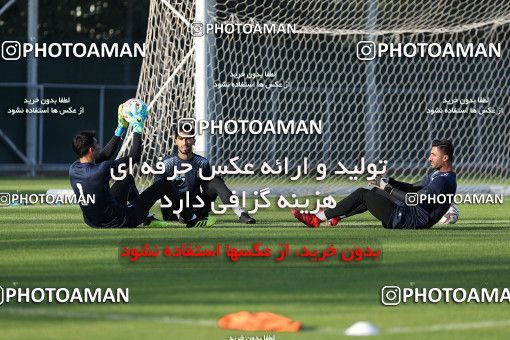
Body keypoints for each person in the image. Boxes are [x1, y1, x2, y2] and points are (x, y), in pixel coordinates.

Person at [69, 99, 215, 228]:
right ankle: (192, 219)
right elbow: (134, 157)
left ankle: (145, 217)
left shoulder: (74, 168)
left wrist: (120, 128)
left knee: (126, 179)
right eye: (97, 144)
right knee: (164, 184)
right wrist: (137, 128)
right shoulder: (101, 170)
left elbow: (105, 155)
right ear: (91, 149)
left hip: (93, 221)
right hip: (119, 220)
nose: (100, 146)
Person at [292, 139, 457, 229]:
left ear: (445, 158)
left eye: (433, 155)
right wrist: (388, 182)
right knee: (374, 192)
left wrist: (387, 187)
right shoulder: (437, 174)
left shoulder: (443, 182)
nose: (429, 158)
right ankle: (336, 216)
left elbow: (411, 199)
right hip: (408, 214)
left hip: (408, 221)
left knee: (363, 195)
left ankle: (316, 219)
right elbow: (413, 187)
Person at [157, 127, 256, 224]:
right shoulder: (166, 163)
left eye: (188, 138)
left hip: (196, 206)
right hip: (174, 211)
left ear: (193, 141)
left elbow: (208, 188)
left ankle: (241, 213)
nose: (184, 142)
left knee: (215, 180)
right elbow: (157, 189)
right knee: (163, 184)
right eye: (181, 139)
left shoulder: (202, 162)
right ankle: (181, 215)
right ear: (176, 141)